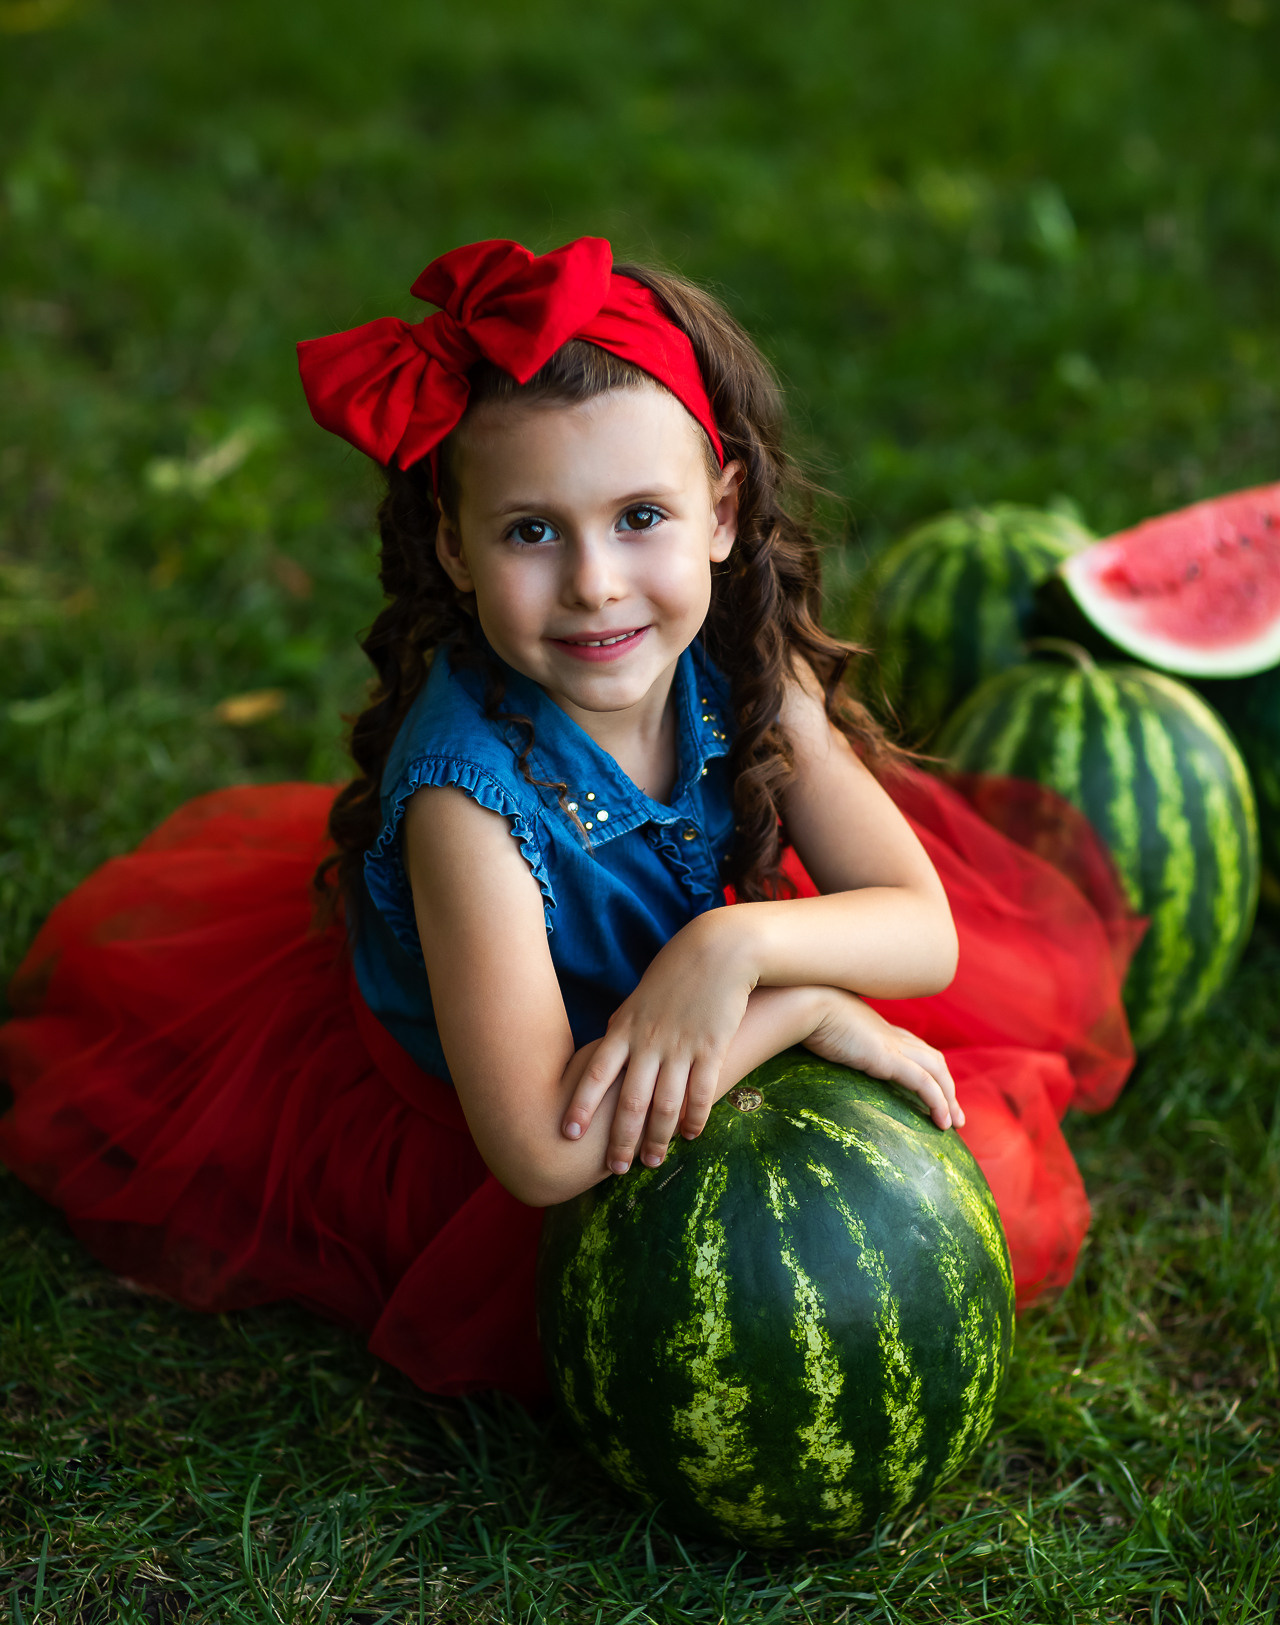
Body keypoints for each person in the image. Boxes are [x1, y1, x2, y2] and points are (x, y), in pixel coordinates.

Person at [0, 238, 1140, 1407]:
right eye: (532, 532)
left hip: (670, 1023)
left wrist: (732, 948)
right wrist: (801, 1006)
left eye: (639, 514)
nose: (594, 582)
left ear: (723, 511)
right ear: (454, 545)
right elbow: (545, 1152)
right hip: (520, 1104)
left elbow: (925, 934)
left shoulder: (748, 673)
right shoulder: (465, 806)